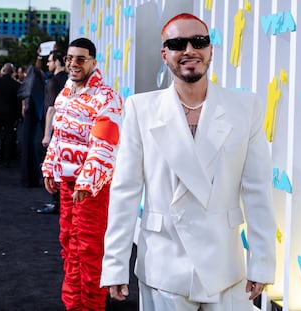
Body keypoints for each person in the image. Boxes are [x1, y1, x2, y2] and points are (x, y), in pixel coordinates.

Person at [100, 13, 276, 311]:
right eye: (177, 43)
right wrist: (115, 264)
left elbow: (258, 190)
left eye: (199, 41)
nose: (189, 50)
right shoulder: (141, 109)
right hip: (163, 263)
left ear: (211, 49)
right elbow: (125, 192)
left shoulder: (245, 108)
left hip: (225, 265)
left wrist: (262, 261)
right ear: (164, 53)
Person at [41, 38, 123, 311]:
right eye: (69, 58)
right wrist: (50, 167)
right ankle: (74, 304)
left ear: (93, 62)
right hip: (67, 184)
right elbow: (58, 136)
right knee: (68, 244)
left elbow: (105, 144)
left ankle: (91, 306)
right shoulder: (65, 93)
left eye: (80, 59)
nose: (73, 64)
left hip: (92, 189)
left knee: (88, 250)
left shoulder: (106, 97)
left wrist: (87, 182)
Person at [37, 50, 68, 214]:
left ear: (57, 61)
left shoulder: (53, 82)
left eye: (49, 61)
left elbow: (50, 109)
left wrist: (47, 134)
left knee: (53, 167)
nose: (48, 64)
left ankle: (56, 202)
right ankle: (60, 201)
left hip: (56, 130)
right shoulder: (69, 81)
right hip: (67, 131)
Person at [17, 54, 46, 187]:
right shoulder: (38, 85)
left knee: (28, 146)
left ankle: (28, 178)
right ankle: (31, 178)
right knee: (31, 147)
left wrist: (39, 56)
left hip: (30, 119)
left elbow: (35, 69)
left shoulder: (32, 81)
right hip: (35, 119)